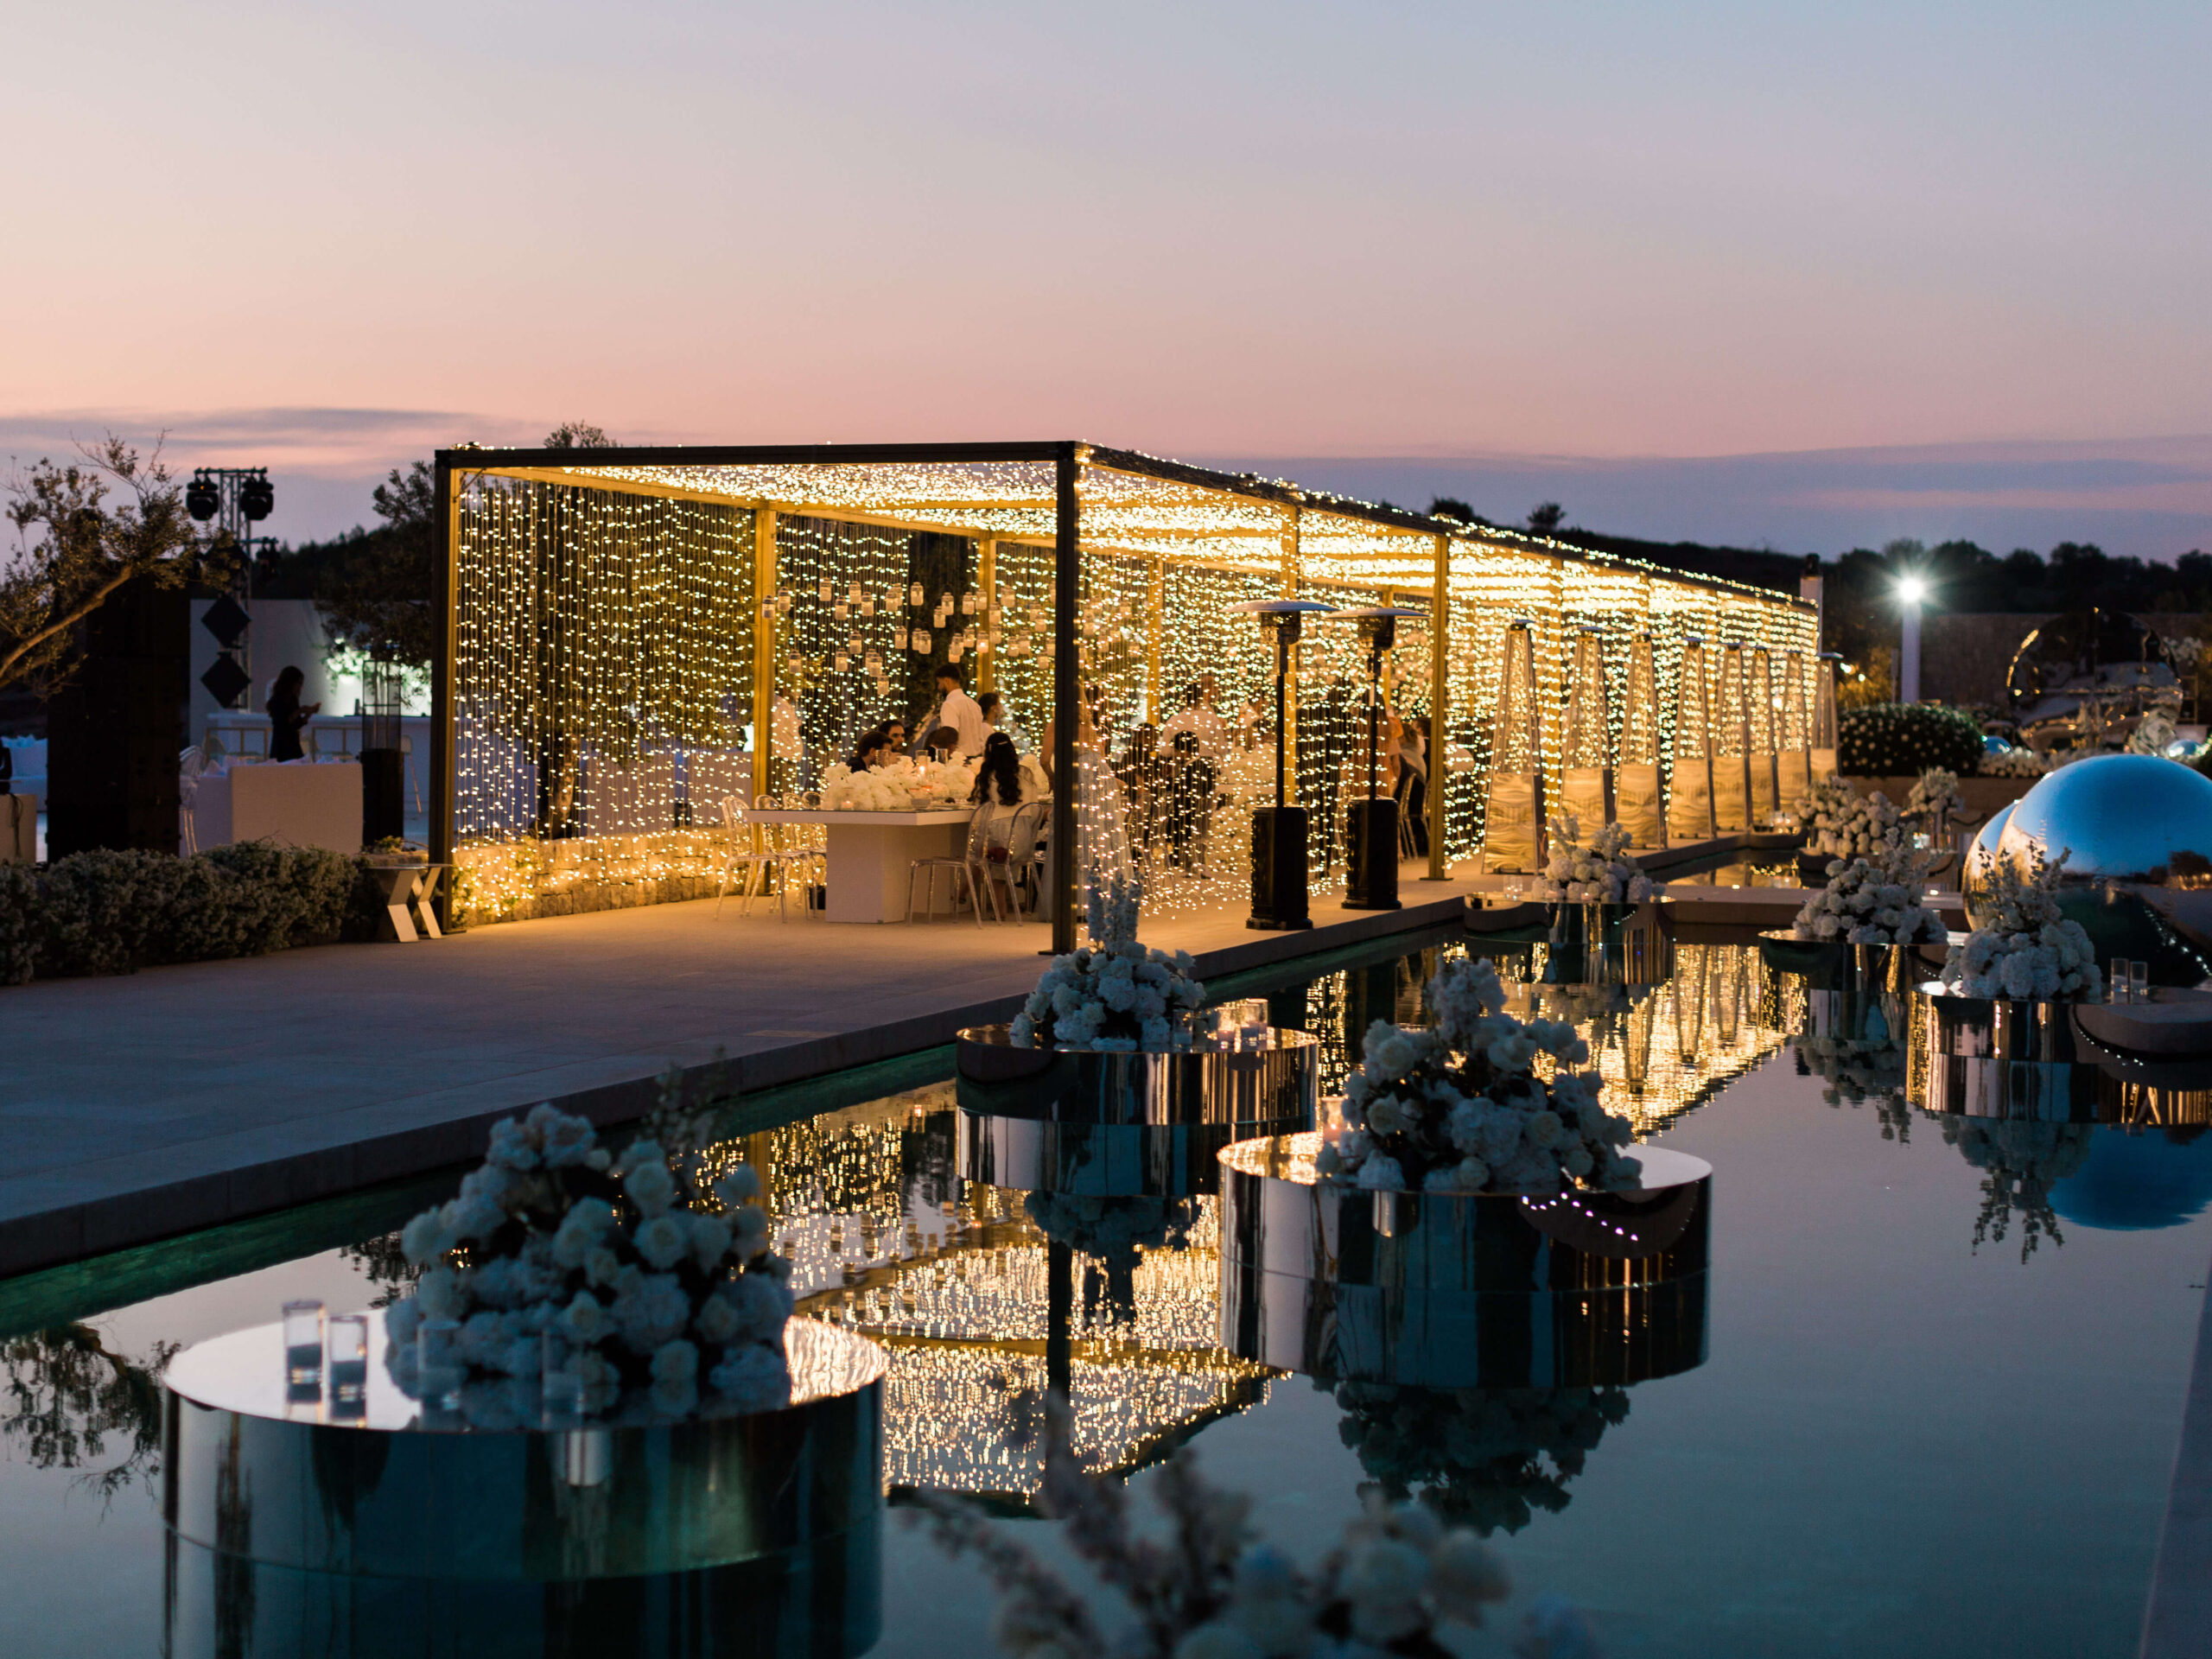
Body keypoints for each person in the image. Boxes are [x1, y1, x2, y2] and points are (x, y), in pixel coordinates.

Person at [930, 665, 986, 757]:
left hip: (958, 762)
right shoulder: (974, 704)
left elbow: (950, 737)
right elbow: (980, 738)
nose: (939, 687)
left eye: (939, 683)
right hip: (976, 760)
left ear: (947, 681)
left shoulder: (949, 704)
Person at [266, 666, 320, 762]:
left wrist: (309, 713)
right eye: (298, 683)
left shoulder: (292, 700)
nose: (300, 687)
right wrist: (300, 711)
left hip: (293, 743)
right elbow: (282, 723)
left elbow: (297, 724)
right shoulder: (277, 700)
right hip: (282, 745)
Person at [969, 731, 1024, 807]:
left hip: (993, 819)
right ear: (1012, 750)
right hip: (1022, 819)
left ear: (988, 752)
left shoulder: (986, 777)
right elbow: (1033, 808)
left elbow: (979, 809)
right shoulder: (1026, 774)